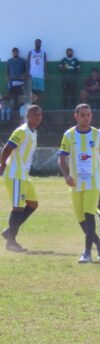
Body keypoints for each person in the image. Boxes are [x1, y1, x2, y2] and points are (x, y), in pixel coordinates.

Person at [57, 104, 100, 263]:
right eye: (82, 115)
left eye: (88, 114)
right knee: (81, 219)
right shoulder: (69, 135)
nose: (86, 117)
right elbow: (61, 158)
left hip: (93, 183)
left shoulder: (98, 135)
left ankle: (87, 253)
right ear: (76, 116)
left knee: (89, 216)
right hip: (75, 183)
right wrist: (66, 175)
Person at [0, 105, 43, 251]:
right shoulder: (22, 131)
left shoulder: (33, 132)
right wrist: (2, 165)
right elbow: (7, 149)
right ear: (27, 116)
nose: (38, 117)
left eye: (40, 114)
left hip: (24, 175)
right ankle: (11, 242)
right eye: (35, 114)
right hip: (15, 174)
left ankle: (9, 232)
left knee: (33, 204)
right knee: (17, 208)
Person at [26, 39, 46, 104]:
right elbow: (28, 63)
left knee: (39, 92)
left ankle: (38, 106)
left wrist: (46, 73)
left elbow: (45, 64)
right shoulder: (31, 52)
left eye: (39, 43)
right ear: (34, 44)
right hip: (32, 75)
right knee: (33, 91)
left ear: (41, 44)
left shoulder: (43, 53)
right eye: (36, 43)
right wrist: (27, 73)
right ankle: (33, 105)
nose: (38, 44)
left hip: (41, 75)